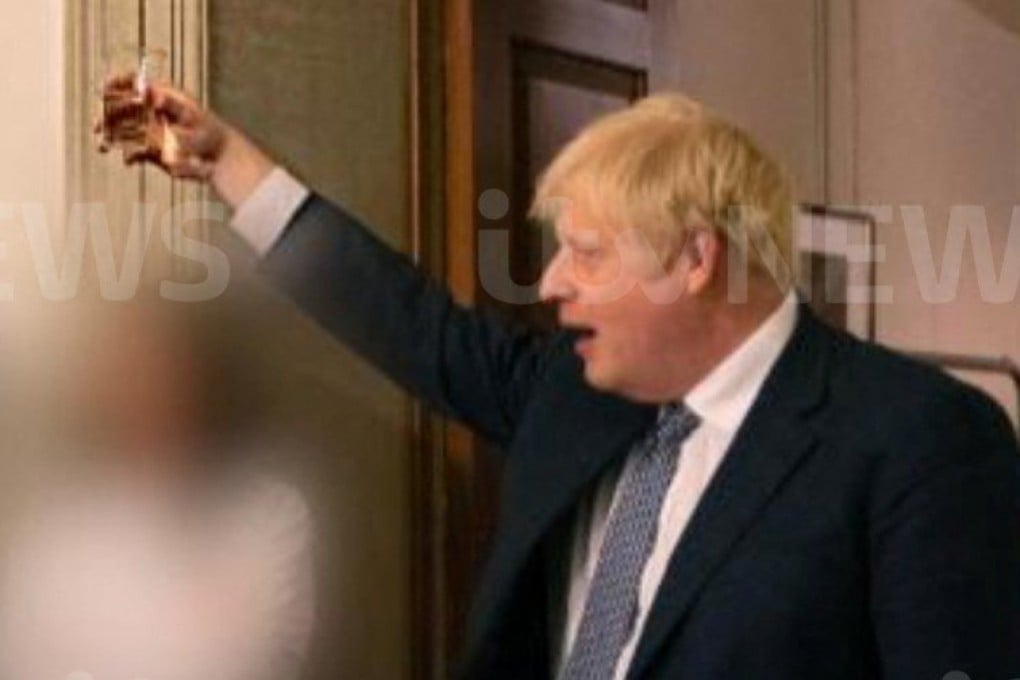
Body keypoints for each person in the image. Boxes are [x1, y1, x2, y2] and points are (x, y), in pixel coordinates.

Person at [101, 81, 1020, 679]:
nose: (550, 284)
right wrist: (229, 164)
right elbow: (409, 322)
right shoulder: (572, 395)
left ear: (694, 259)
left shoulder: (921, 440)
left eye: (584, 253)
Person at [0, 298, 315, 680]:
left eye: (164, 370)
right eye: (127, 374)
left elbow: (246, 664)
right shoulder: (50, 539)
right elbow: (25, 664)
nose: (146, 391)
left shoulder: (271, 514)